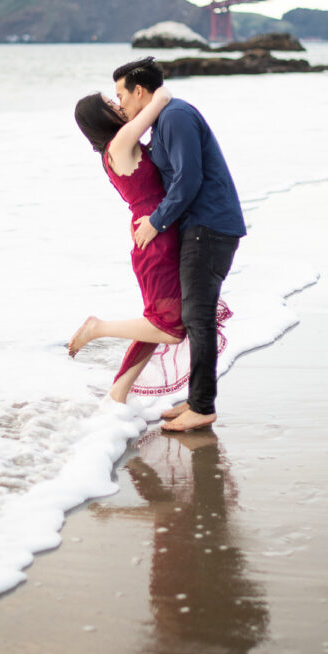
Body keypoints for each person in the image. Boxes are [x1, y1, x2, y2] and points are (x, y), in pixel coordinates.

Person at [113, 57, 246, 433]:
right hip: (202, 227)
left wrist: (155, 223)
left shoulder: (175, 117)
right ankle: (197, 397)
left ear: (140, 91)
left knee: (197, 318)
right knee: (193, 317)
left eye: (121, 94)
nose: (120, 102)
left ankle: (202, 406)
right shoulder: (164, 120)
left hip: (209, 228)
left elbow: (188, 180)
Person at [68, 83, 186, 403]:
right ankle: (98, 328)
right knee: (171, 328)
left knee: (158, 318)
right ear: (100, 116)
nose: (119, 106)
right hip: (153, 234)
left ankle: (119, 392)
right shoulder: (120, 142)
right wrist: (141, 88)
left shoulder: (116, 148)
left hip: (156, 228)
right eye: (111, 102)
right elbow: (162, 98)